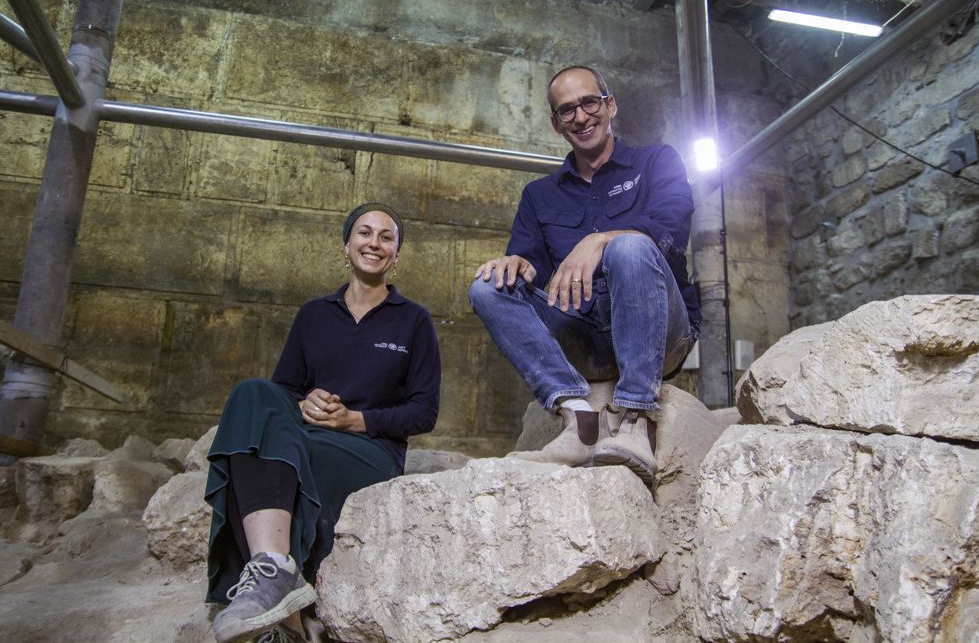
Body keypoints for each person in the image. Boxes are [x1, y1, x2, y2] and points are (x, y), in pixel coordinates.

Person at [204, 203, 441, 643]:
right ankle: (275, 571)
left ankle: (283, 616)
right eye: (364, 233)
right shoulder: (314, 314)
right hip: (307, 434)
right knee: (251, 394)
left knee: (271, 464)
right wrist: (304, 402)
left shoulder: (414, 320)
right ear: (347, 245)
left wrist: (355, 419)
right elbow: (282, 393)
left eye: (386, 237)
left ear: (396, 255)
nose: (374, 243)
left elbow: (424, 411)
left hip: (371, 451)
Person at [469, 65, 700, 485]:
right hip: (583, 337)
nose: (581, 116)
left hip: (660, 332)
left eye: (589, 102)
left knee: (629, 246)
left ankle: (636, 419)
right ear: (556, 124)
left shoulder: (657, 161)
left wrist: (601, 240)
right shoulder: (538, 195)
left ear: (609, 105)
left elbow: (673, 229)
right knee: (487, 287)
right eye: (567, 110)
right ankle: (578, 418)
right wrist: (514, 265)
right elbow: (526, 267)